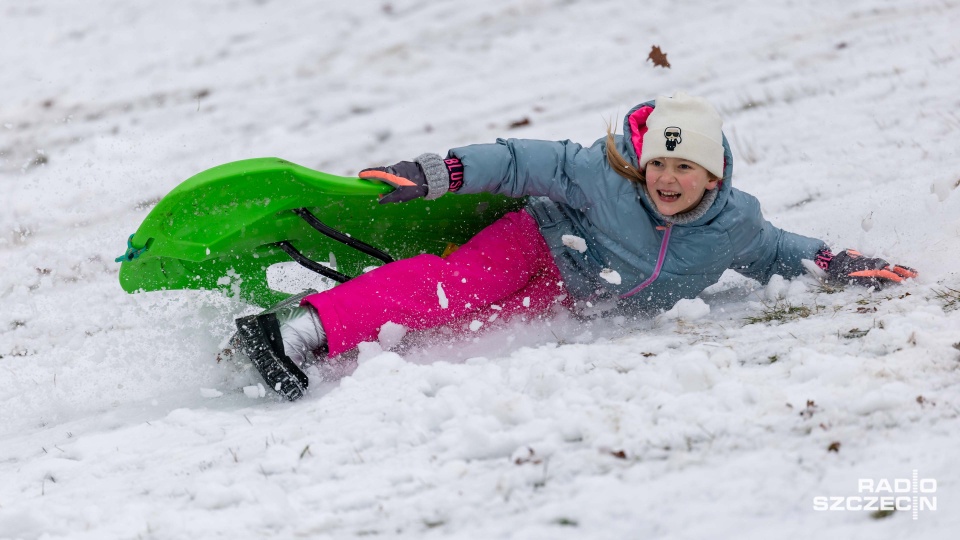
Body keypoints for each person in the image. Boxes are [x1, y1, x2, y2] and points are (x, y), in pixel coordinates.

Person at [233, 92, 917, 400]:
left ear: (715, 175)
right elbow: (523, 159)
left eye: (686, 169)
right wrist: (434, 175)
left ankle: (329, 348)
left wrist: (838, 263)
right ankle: (295, 330)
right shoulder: (602, 175)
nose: (668, 180)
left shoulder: (733, 226)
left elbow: (776, 250)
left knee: (454, 330)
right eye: (660, 166)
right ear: (642, 164)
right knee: (447, 290)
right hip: (537, 243)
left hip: (568, 295)